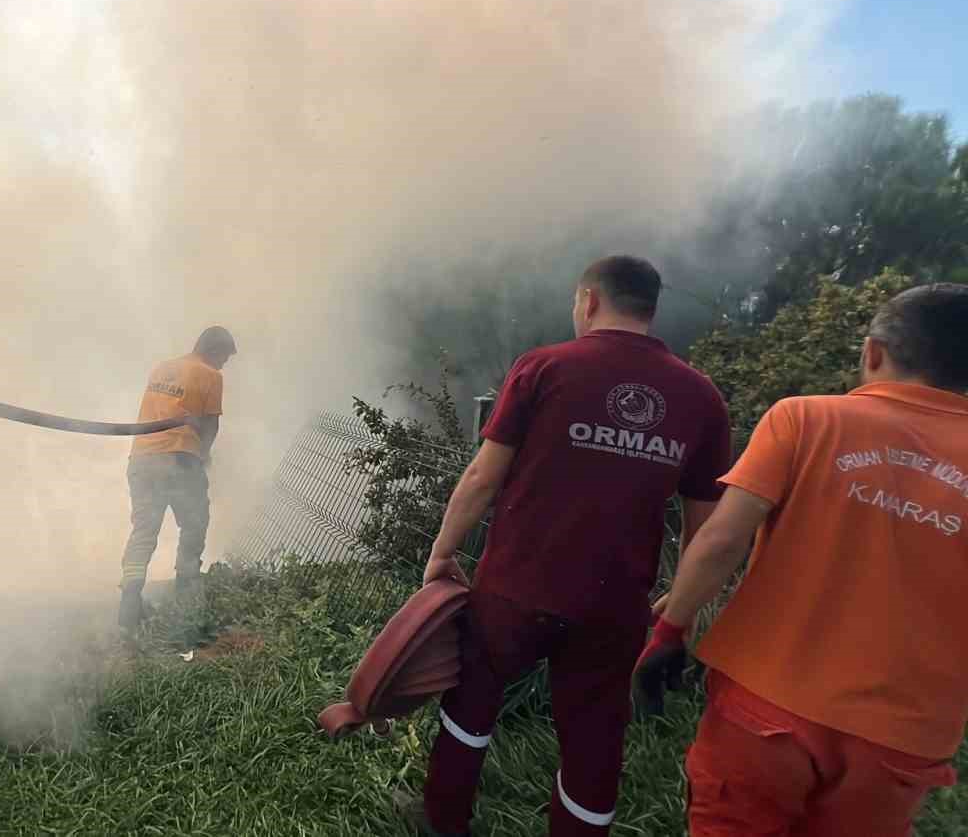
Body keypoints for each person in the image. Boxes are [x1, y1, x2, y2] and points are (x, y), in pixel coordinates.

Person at [407, 256, 733, 837]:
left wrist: (442, 552)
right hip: (616, 606)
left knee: (472, 702)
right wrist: (686, 600)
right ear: (650, 310)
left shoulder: (544, 367)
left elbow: (483, 477)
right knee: (594, 734)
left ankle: (442, 819)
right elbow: (704, 525)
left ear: (587, 300)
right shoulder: (702, 397)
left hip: (515, 589)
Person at [635, 283, 968, 837]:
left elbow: (721, 541)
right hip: (903, 732)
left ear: (872, 353)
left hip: (765, 706)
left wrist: (669, 631)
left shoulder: (805, 420)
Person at [117, 326, 236, 635]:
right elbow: (210, 425)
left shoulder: (163, 367)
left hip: (141, 458)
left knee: (144, 530)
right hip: (180, 458)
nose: (224, 365)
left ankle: (129, 601)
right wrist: (204, 456)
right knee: (195, 523)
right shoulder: (210, 374)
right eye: (224, 358)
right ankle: (187, 593)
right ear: (214, 351)